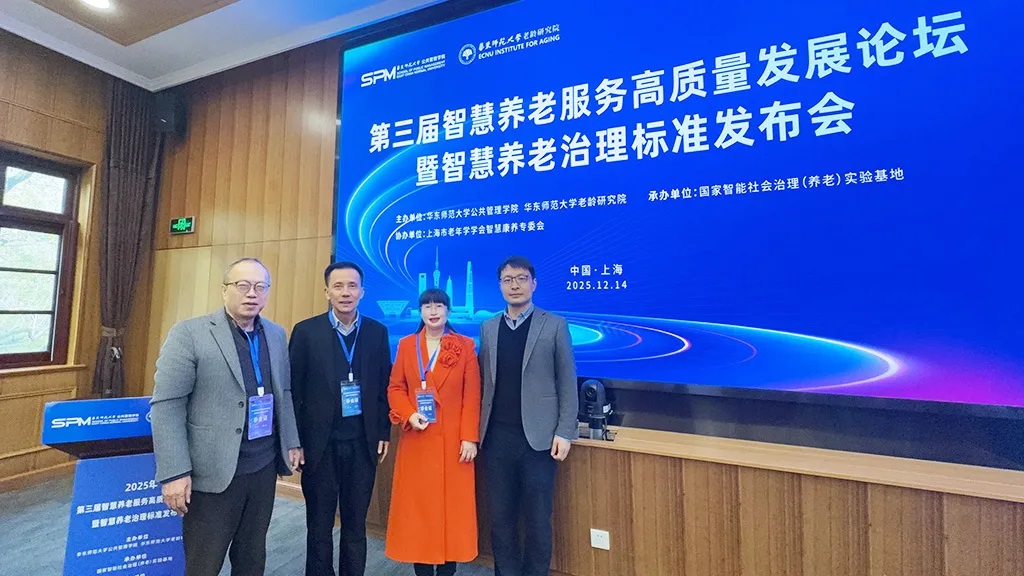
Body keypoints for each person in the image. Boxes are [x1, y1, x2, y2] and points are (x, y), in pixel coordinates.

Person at [150, 257, 302, 576]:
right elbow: (167, 405)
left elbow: (283, 392)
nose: (252, 293)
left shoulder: (276, 334)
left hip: (263, 468)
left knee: (251, 558)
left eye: (260, 287)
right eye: (242, 285)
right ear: (224, 290)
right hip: (213, 473)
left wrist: (291, 441)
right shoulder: (190, 333)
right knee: (204, 564)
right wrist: (175, 472)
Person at [289, 261, 393, 576]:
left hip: (362, 444)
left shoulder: (376, 332)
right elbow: (293, 391)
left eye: (352, 286)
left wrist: (383, 432)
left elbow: (383, 386)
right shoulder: (306, 332)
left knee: (355, 525)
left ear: (362, 291)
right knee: (319, 525)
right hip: (318, 446)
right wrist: (295, 441)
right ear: (327, 292)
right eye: (338, 286)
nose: (345, 292)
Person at [478, 256, 578, 576]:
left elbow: (567, 381)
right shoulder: (488, 327)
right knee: (501, 519)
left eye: (521, 279)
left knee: (537, 520)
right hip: (496, 439)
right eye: (507, 280)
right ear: (500, 286)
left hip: (539, 439)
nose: (515, 285)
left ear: (533, 284)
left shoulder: (555, 324)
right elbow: (482, 382)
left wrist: (565, 431)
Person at [385, 288, 481, 576]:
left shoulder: (465, 346)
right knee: (420, 514)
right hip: (418, 441)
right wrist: (409, 414)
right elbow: (395, 388)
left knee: (452, 514)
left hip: (455, 444)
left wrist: (469, 437)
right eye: (427, 306)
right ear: (420, 312)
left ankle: (448, 570)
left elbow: (472, 395)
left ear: (448, 311)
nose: (433, 311)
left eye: (439, 305)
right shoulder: (406, 345)